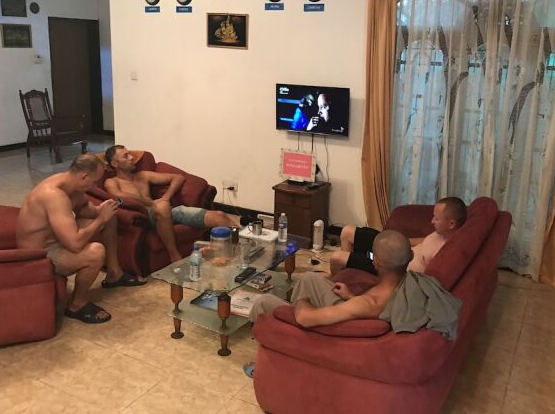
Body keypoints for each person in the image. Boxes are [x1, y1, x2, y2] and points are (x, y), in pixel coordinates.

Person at [243, 230, 412, 378]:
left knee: (262, 302)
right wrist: (351, 296)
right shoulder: (405, 285)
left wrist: (303, 299)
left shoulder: (369, 302)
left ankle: (264, 364)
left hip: (330, 329)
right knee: (310, 278)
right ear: (410, 257)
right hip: (351, 313)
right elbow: (365, 307)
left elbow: (304, 318)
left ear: (378, 263)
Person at [16, 154, 145, 325]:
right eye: (94, 182)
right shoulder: (54, 195)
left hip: (57, 239)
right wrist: (101, 219)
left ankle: (114, 273)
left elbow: (85, 209)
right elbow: (75, 244)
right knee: (96, 252)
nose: (94, 187)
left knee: (110, 218)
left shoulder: (71, 184)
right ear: (83, 176)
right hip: (40, 255)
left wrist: (101, 210)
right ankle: (77, 304)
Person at [103, 145, 237, 262]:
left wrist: (166, 197)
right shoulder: (112, 181)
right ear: (115, 163)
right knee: (161, 206)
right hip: (144, 216)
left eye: (130, 154)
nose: (132, 157)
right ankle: (174, 255)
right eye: (126, 156)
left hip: (166, 211)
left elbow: (178, 178)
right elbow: (117, 195)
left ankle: (245, 245)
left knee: (220, 216)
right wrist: (146, 201)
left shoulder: (143, 175)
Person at [330, 197, 467, 277]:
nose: (432, 221)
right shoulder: (440, 233)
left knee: (336, 257)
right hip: (395, 250)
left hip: (391, 269)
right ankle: (344, 275)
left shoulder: (447, 252)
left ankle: (336, 279)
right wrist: (397, 240)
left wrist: (389, 261)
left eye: (436, 218)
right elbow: (423, 241)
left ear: (451, 223)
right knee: (347, 231)